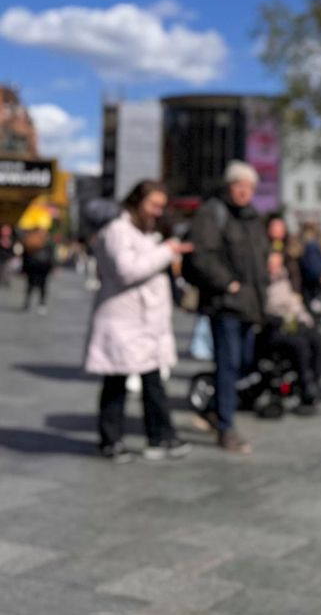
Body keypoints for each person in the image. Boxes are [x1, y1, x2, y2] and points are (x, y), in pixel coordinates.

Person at [84, 181, 193, 462]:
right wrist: (166, 251)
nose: (157, 212)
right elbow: (127, 270)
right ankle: (112, 440)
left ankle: (160, 436)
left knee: (152, 381)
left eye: (160, 206)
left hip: (145, 323)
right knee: (117, 380)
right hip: (124, 322)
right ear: (137, 202)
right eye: (153, 205)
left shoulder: (143, 232)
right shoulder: (117, 231)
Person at [187, 161, 269, 454]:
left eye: (250, 188)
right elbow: (202, 255)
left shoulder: (252, 218)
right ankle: (225, 426)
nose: (245, 192)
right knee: (228, 362)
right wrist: (227, 283)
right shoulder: (213, 213)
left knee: (243, 362)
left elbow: (260, 261)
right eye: (239, 186)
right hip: (225, 303)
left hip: (249, 304)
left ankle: (214, 409)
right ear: (229, 186)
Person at [264, 251, 321, 414]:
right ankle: (305, 386)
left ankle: (317, 380)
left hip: (292, 321)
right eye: (272, 263)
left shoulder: (284, 280)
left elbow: (294, 304)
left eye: (278, 263)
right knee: (300, 344)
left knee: (317, 338)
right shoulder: (263, 282)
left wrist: (305, 320)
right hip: (274, 325)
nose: (275, 267)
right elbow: (268, 306)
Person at [20, 228, 54, 314]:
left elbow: (24, 256)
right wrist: (52, 267)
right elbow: (51, 256)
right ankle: (41, 304)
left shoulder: (29, 240)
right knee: (42, 286)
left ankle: (28, 304)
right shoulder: (46, 242)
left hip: (33, 267)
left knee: (31, 285)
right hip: (42, 267)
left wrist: (23, 269)